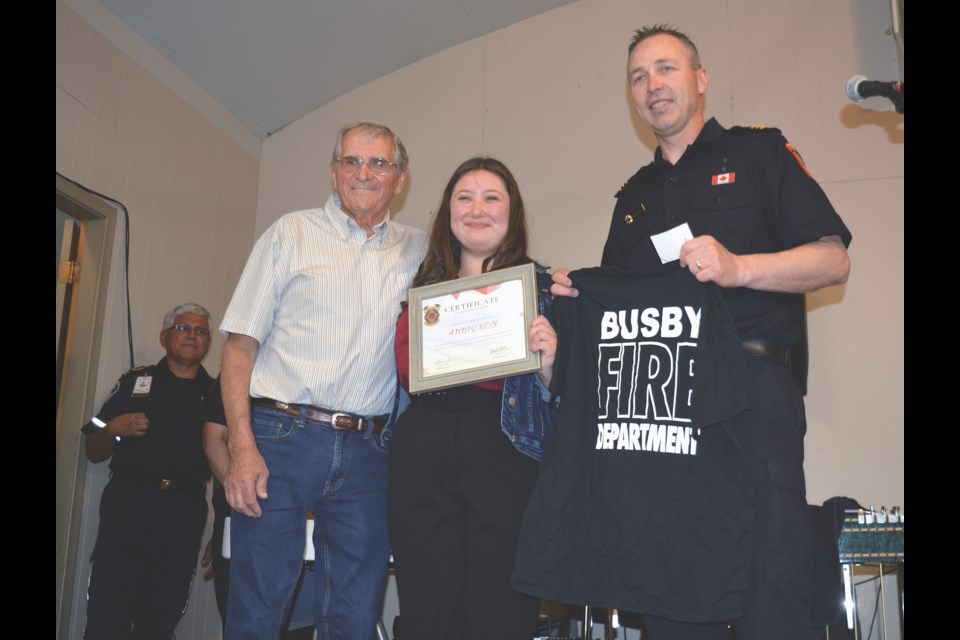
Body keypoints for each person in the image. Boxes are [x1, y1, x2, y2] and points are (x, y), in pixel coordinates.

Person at [533, 25, 852, 640]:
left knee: (770, 580)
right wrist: (576, 302)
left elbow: (833, 259)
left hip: (753, 398)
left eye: (666, 69)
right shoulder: (633, 198)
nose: (653, 86)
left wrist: (740, 269)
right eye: (638, 77)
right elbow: (614, 322)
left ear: (700, 79)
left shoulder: (760, 154)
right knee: (670, 584)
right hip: (663, 411)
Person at [220, 122, 427, 639]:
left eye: (379, 163)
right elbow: (239, 347)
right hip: (280, 440)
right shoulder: (289, 233)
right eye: (351, 162)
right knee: (258, 606)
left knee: (354, 614)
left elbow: (478, 281)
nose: (364, 173)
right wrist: (241, 447)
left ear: (399, 179)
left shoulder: (422, 252)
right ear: (334, 174)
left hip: (370, 454)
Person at [388, 157, 558, 640]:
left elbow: (563, 392)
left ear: (512, 213)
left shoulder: (547, 289)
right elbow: (404, 371)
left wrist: (549, 365)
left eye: (491, 198)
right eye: (464, 198)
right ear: (448, 212)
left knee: (501, 608)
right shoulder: (422, 291)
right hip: (424, 449)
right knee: (426, 606)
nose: (476, 209)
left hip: (505, 450)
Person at [81, 303, 214, 640]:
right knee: (106, 615)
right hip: (128, 507)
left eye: (200, 331)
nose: (192, 336)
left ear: (209, 343)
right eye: (184, 328)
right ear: (164, 336)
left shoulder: (218, 394)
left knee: (160, 618)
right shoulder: (134, 382)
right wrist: (112, 428)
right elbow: (92, 451)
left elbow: (232, 463)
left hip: (184, 513)